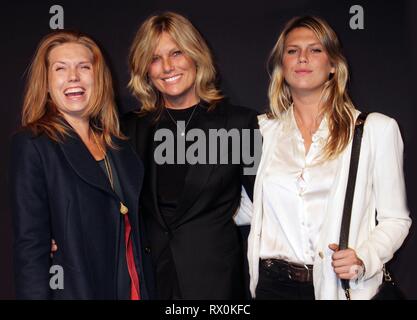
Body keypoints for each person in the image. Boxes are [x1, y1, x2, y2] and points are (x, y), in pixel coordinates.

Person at [236, 16, 411, 299]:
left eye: (315, 49)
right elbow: (251, 209)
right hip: (272, 287)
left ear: (333, 65)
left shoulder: (374, 130)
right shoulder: (260, 132)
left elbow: (396, 219)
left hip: (337, 288)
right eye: (292, 51)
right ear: (282, 66)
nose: (302, 58)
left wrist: (364, 257)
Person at [122, 12, 259, 299]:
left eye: (176, 53)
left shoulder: (240, 124)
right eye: (155, 58)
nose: (167, 66)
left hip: (216, 282)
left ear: (195, 55)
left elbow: (268, 201)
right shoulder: (130, 128)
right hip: (152, 278)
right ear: (145, 68)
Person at [10, 30, 154, 299]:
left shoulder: (119, 145)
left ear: (98, 78)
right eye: (60, 68)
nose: (73, 76)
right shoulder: (34, 144)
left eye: (83, 67)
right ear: (47, 83)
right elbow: (30, 247)